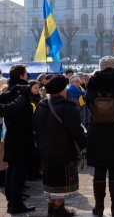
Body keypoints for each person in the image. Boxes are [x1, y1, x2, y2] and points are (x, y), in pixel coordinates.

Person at [32, 75, 86, 216]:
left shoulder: (41, 106)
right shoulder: (67, 107)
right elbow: (76, 130)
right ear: (63, 90)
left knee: (50, 179)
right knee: (61, 181)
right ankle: (59, 210)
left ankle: (51, 207)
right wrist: (84, 144)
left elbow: (35, 127)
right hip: (63, 150)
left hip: (45, 150)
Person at [86, 56, 114, 216]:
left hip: (96, 131)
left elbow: (88, 103)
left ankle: (98, 207)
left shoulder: (92, 82)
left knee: (99, 169)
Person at [3, 65, 37, 214]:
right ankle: (15, 203)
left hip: (13, 135)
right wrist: (23, 97)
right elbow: (10, 109)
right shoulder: (21, 91)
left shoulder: (12, 89)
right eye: (26, 74)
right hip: (20, 137)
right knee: (18, 171)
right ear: (22, 76)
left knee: (12, 169)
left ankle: (13, 201)